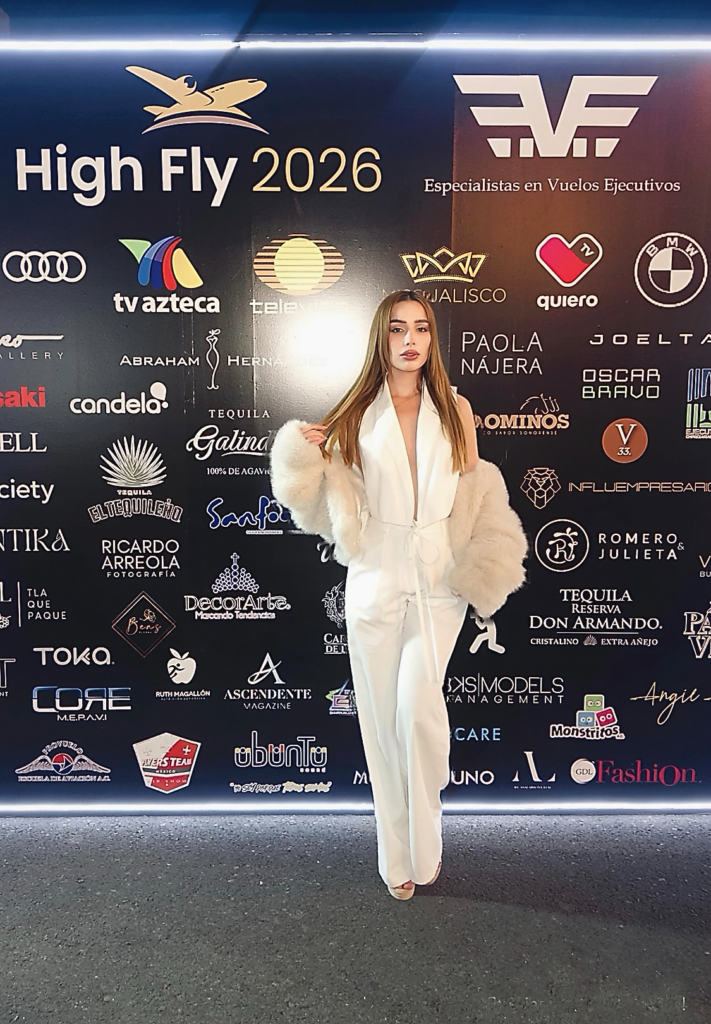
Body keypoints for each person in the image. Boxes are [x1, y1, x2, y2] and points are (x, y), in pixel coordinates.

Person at [270, 289, 527, 900]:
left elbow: (474, 490)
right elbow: (315, 505)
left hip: (439, 579)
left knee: (416, 711)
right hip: (375, 577)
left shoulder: (456, 409)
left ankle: (426, 841)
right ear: (380, 339)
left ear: (432, 339)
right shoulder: (355, 412)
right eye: (396, 329)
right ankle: (396, 855)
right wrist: (303, 455)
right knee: (380, 724)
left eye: (421, 329)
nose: (410, 340)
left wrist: (483, 561)